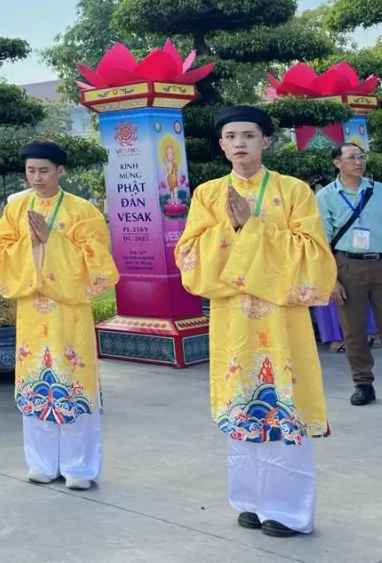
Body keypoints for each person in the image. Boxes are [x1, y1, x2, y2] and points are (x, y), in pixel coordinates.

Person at [175, 105, 335, 538]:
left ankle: (287, 511)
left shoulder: (294, 190)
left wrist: (254, 227)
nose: (240, 143)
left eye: (249, 135)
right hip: (233, 321)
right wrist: (231, 230)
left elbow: (314, 255)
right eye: (232, 136)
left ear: (266, 141)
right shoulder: (208, 194)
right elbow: (189, 256)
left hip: (282, 323)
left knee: (283, 404)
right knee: (242, 403)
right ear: (222, 144)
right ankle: (249, 500)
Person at [0, 140, 118, 489]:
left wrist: (52, 241)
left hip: (69, 313)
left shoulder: (82, 211)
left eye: (43, 170)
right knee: (37, 380)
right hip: (33, 312)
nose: (36, 178)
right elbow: (0, 252)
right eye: (30, 171)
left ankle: (80, 467)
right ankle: (42, 461)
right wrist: (30, 244)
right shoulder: (16, 209)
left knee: (73, 381)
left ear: (60, 170)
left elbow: (98, 261)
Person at [317, 142, 382, 406]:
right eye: (352, 157)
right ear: (337, 163)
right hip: (347, 266)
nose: (358, 161)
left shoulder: (378, 191)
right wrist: (332, 280)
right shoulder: (325, 197)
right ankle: (363, 384)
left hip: (380, 261)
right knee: (353, 331)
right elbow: (322, 243)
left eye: (361, 156)